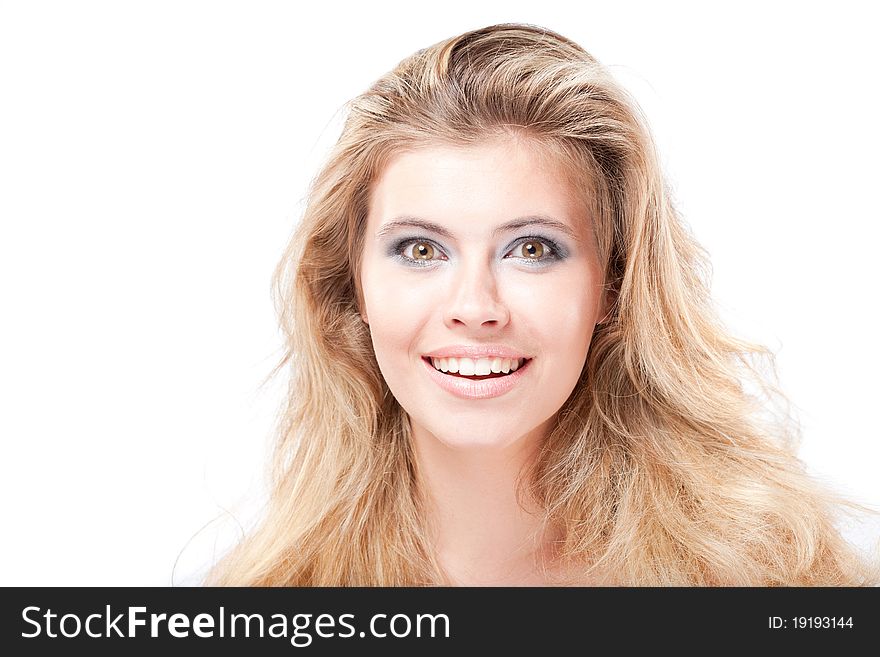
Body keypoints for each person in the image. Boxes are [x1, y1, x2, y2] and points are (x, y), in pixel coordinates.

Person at [204, 22, 879, 586]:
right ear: (353, 287)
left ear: (612, 286)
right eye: (419, 250)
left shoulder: (769, 586)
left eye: (531, 249)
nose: (475, 306)